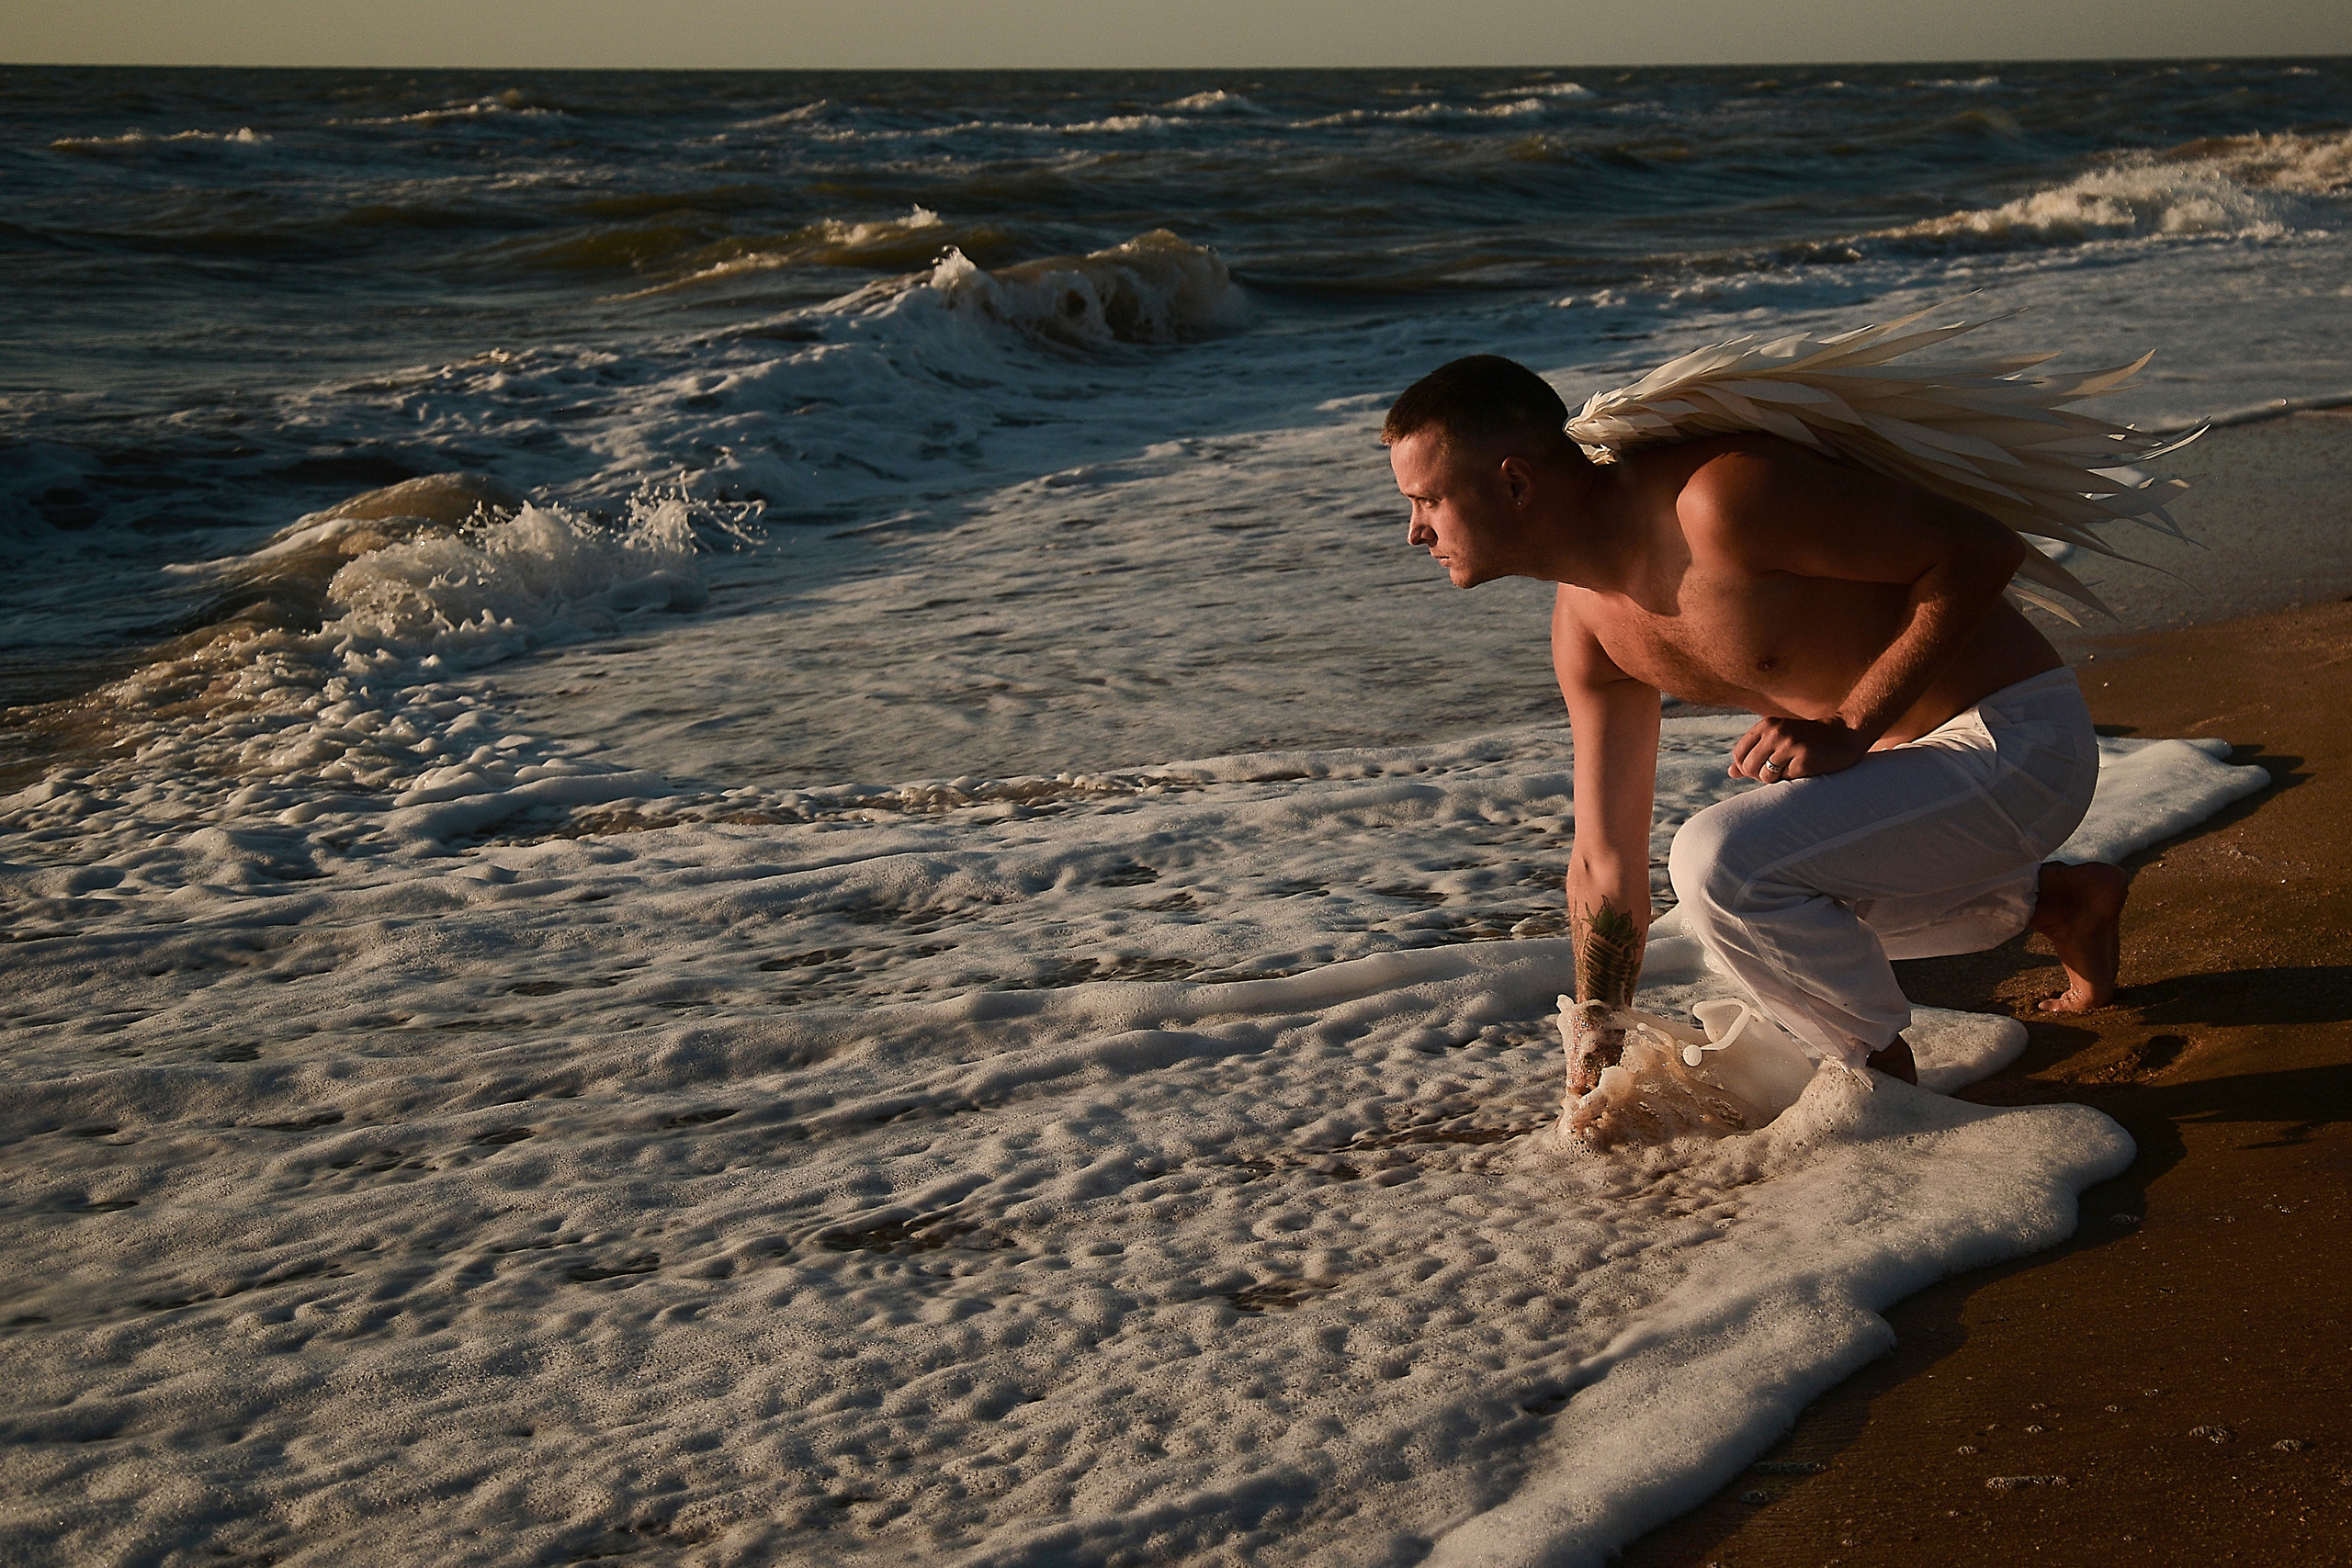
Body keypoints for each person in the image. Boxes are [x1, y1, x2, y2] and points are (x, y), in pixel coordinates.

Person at [1382, 354, 2128, 1096]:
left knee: (1717, 864)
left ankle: (1880, 1077)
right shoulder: (1587, 630)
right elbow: (1603, 861)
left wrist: (1850, 722)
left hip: (2018, 743)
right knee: (1712, 923)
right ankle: (2057, 902)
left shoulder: (1716, 503)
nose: (1414, 532)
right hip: (1913, 788)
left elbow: (1980, 549)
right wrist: (1597, 1036)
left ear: (1514, 482)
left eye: (1426, 500)